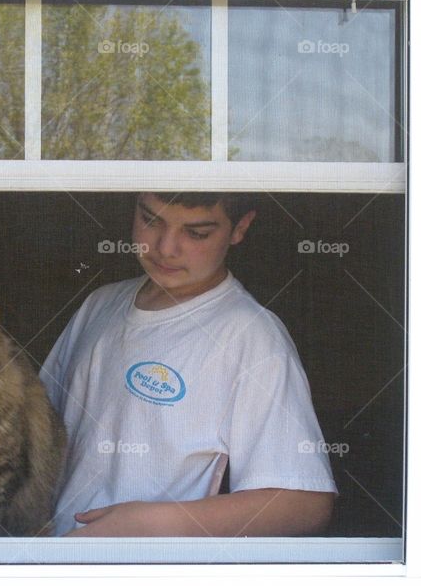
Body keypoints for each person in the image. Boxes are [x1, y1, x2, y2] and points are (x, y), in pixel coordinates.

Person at [39, 192, 337, 537]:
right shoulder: (101, 304)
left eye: (196, 233)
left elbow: (303, 505)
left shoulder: (249, 334)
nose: (166, 248)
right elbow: (35, 432)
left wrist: (151, 525)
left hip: (148, 568)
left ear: (240, 228)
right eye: (151, 220)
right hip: (51, 557)